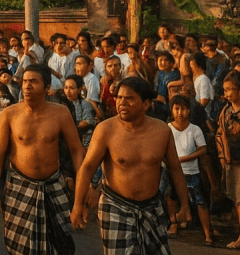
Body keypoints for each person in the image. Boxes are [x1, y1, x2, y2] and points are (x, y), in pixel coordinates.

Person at [72, 77, 190, 255]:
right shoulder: (106, 129)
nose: (122, 103)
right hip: (116, 206)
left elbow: (175, 168)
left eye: (129, 98)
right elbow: (87, 167)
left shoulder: (162, 131)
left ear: (146, 104)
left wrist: (185, 204)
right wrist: (77, 205)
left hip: (152, 207)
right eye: (119, 98)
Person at [0, 63, 86, 255]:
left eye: (33, 82)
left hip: (53, 185)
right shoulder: (9, 114)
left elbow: (76, 151)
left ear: (47, 88)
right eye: (24, 81)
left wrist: (83, 190)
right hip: (19, 186)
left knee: (60, 245)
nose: (27, 86)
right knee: (19, 246)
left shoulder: (60, 113)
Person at [165, 95, 213, 245]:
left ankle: (207, 233)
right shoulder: (167, 128)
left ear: (188, 111)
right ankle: (174, 223)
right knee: (172, 197)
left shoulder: (195, 129)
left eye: (183, 109)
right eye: (177, 109)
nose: (180, 112)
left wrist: (184, 158)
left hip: (192, 171)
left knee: (200, 201)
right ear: (172, 110)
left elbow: (203, 149)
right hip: (173, 170)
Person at [218, 70, 240, 250]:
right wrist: (223, 155)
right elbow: (220, 132)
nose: (227, 93)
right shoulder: (226, 110)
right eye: (225, 89)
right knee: (238, 199)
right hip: (232, 161)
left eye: (230, 90)